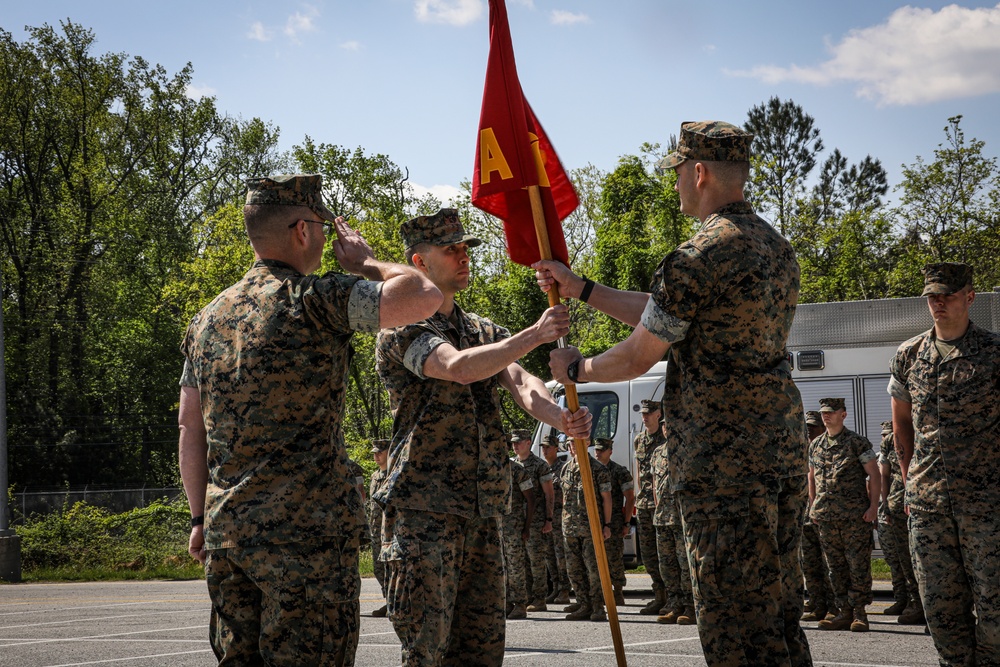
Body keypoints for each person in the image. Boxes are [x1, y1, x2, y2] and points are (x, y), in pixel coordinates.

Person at [535, 120, 812, 667]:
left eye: (679, 173)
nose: (677, 184)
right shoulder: (773, 246)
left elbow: (642, 352)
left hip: (722, 463)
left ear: (700, 171)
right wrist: (583, 289)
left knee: (734, 624)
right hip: (776, 450)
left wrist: (577, 368)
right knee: (777, 613)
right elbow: (666, 313)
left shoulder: (699, 255)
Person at [178, 173, 443, 666]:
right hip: (305, 541)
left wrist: (198, 518)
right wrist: (366, 263)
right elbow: (424, 295)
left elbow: (190, 430)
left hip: (228, 536)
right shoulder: (315, 300)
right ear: (302, 231)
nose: (325, 237)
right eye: (322, 225)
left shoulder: (206, 319)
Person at [373, 209, 592, 666]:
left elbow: (519, 380)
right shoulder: (402, 326)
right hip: (425, 513)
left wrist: (559, 417)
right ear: (420, 261)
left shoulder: (482, 329)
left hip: (481, 511)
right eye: (450, 249)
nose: (462, 256)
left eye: (465, 247)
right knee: (426, 651)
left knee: (482, 650)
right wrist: (535, 333)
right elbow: (457, 368)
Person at [888, 262, 1000, 665]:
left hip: (986, 504)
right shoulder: (908, 354)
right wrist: (909, 483)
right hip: (928, 506)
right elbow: (902, 425)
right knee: (940, 608)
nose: (938, 303)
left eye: (947, 295)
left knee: (995, 605)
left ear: (970, 296)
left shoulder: (993, 352)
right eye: (932, 296)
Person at [808, 398, 880, 632]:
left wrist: (873, 507)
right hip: (826, 517)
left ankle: (860, 614)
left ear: (844, 415)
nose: (826, 416)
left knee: (857, 566)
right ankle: (843, 612)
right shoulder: (816, 445)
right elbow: (812, 477)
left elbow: (874, 475)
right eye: (823, 412)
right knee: (834, 567)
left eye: (831, 412)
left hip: (854, 517)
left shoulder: (857, 443)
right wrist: (813, 505)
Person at [650, 396, 695, 626]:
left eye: (671, 425)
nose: (667, 428)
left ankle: (689, 606)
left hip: (680, 518)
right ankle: (674, 603)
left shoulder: (686, 451)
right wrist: (658, 508)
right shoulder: (657, 453)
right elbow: (654, 486)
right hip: (662, 518)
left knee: (685, 564)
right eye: (665, 425)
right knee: (667, 565)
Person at [560, 438, 613, 621]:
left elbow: (607, 499)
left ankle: (598, 607)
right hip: (570, 528)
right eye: (570, 443)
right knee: (574, 570)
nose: (573, 446)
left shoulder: (598, 469)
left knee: (594, 570)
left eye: (577, 442)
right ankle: (583, 605)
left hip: (591, 529)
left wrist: (606, 525)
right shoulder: (566, 468)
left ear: (586, 443)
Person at [877, 421, 925, 625]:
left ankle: (928, 606)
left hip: (925, 505)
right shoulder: (890, 440)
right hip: (898, 507)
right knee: (905, 559)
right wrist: (885, 504)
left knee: (926, 559)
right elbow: (884, 475)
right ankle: (914, 603)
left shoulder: (925, 432)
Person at [511, 429, 556, 612]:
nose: (515, 445)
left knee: (536, 561)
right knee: (520, 562)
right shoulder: (512, 464)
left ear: (528, 442)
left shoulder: (539, 465)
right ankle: (526, 595)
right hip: (516, 522)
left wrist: (548, 519)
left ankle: (539, 598)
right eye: (513, 442)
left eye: (518, 442)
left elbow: (549, 494)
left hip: (536, 520)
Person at [632, 399, 670, 616]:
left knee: (666, 553)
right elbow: (638, 472)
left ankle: (672, 597)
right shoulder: (639, 440)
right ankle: (659, 596)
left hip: (662, 505)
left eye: (649, 413)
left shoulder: (664, 439)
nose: (645, 417)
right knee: (648, 554)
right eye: (642, 413)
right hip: (645, 504)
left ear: (658, 414)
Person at [799, 411, 836, 623]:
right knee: (809, 564)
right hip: (804, 516)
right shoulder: (800, 451)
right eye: (807, 428)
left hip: (823, 514)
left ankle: (833, 606)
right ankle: (817, 604)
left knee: (828, 564)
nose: (809, 432)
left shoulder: (825, 448)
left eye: (813, 428)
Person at [593, 437, 634, 606]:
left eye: (601, 450)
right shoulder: (592, 470)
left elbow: (630, 498)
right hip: (596, 520)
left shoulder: (619, 471)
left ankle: (618, 590)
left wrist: (626, 522)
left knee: (614, 557)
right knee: (596, 558)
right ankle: (602, 591)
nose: (598, 453)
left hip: (615, 521)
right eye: (596, 450)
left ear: (610, 451)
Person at [501, 443, 535, 620]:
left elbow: (530, 499)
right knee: (501, 567)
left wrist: (526, 526)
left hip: (513, 527)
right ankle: (505, 602)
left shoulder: (517, 470)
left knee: (515, 566)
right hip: (496, 528)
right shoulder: (490, 467)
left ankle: (520, 603)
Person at [540, 433, 571, 605]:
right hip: (545, 517)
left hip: (558, 518)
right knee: (549, 555)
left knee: (560, 555)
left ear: (556, 448)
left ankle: (565, 590)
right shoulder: (543, 468)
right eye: (543, 447)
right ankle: (555, 587)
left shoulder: (563, 468)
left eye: (548, 447)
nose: (545, 450)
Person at [368, 438, 391, 618]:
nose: (376, 456)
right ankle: (388, 601)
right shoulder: (375, 476)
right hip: (375, 530)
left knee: (390, 567)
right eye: (374, 453)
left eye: (380, 452)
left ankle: (393, 603)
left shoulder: (393, 475)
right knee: (378, 568)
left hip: (388, 531)